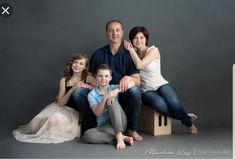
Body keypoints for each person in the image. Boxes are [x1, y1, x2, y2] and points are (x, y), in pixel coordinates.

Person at [124, 26, 198, 134]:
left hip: (161, 84)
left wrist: (130, 49)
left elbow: (140, 65)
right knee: (160, 105)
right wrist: (128, 47)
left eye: (141, 37)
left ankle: (189, 124)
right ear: (131, 40)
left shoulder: (153, 50)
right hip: (146, 90)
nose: (138, 40)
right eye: (135, 38)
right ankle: (186, 117)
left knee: (173, 101)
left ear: (146, 39)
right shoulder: (131, 53)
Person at [12, 53, 93, 143]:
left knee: (52, 121)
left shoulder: (88, 78)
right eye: (75, 62)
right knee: (34, 124)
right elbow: (61, 103)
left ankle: (62, 127)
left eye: (81, 64)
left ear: (85, 67)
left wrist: (85, 85)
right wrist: (72, 89)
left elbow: (100, 88)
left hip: (74, 113)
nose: (77, 65)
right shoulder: (64, 80)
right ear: (71, 64)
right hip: (62, 108)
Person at [86, 19, 143, 141]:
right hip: (102, 93)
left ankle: (132, 129)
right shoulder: (98, 53)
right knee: (78, 93)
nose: (114, 33)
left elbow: (138, 80)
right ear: (107, 33)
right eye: (111, 30)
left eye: (117, 30)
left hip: (122, 93)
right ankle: (93, 127)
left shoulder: (129, 54)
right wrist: (100, 84)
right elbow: (88, 77)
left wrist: (128, 78)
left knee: (135, 91)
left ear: (122, 32)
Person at [83, 64, 134, 149]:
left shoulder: (114, 87)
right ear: (96, 77)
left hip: (120, 122)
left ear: (110, 78)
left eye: (106, 76)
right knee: (88, 135)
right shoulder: (91, 95)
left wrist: (116, 91)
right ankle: (123, 137)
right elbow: (98, 114)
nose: (103, 79)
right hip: (105, 127)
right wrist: (105, 97)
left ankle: (119, 136)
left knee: (112, 101)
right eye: (100, 76)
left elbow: (132, 83)